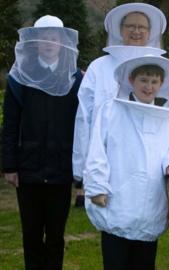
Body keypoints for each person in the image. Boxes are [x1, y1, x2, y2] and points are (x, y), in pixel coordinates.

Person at [83, 54, 169, 270]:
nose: (148, 86)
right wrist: (96, 187)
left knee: (144, 263)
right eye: (143, 80)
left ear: (161, 84)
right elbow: (97, 150)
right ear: (131, 80)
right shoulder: (111, 110)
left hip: (149, 203)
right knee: (116, 262)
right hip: (116, 200)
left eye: (154, 81)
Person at [2, 15, 82, 270]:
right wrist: (9, 166)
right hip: (29, 169)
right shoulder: (20, 77)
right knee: (32, 236)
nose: (49, 42)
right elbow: (11, 125)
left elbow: (82, 126)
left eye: (54, 37)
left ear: (62, 42)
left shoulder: (75, 78)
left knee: (56, 236)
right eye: (44, 38)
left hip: (61, 168)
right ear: (35, 42)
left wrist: (80, 169)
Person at [72, 3, 167, 184]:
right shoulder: (99, 67)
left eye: (142, 27)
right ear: (120, 30)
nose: (136, 31)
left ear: (150, 31)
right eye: (130, 26)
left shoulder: (163, 67)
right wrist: (82, 167)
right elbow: (83, 117)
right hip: (105, 160)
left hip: (150, 160)